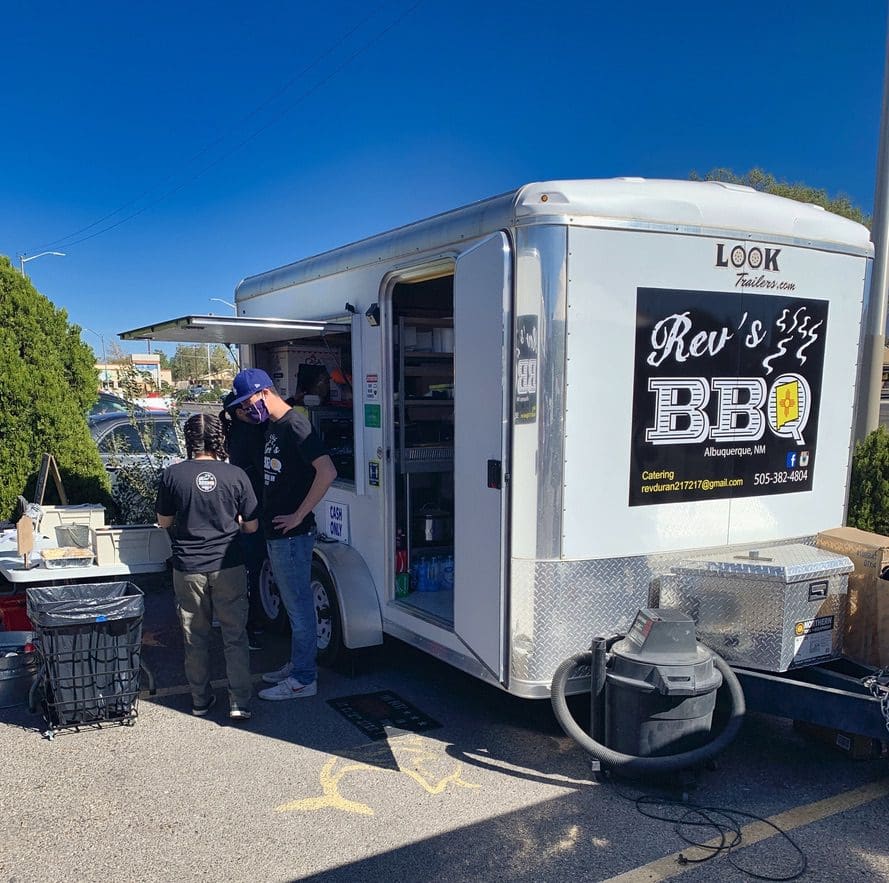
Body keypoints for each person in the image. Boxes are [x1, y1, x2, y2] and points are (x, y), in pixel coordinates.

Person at [228, 367, 337, 701]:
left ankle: (303, 679)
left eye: (247, 403)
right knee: (293, 606)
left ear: (263, 392)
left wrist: (299, 514)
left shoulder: (295, 425)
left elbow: (327, 471)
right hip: (278, 533)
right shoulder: (274, 425)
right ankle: (298, 665)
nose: (246, 410)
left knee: (299, 606)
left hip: (292, 535)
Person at [156, 412, 259, 721]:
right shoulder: (236, 475)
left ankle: (200, 700)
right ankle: (239, 702)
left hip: (188, 566)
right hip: (229, 565)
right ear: (220, 438)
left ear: (189, 440)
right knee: (235, 636)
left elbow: (164, 522)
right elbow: (252, 526)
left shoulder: (173, 475)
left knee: (195, 636)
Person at [220, 391, 267, 650]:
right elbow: (264, 470)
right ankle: (251, 624)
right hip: (254, 510)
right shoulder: (249, 434)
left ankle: (250, 622)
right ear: (239, 411)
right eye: (250, 404)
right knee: (254, 569)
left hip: (244, 509)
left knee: (250, 567)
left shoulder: (236, 432)